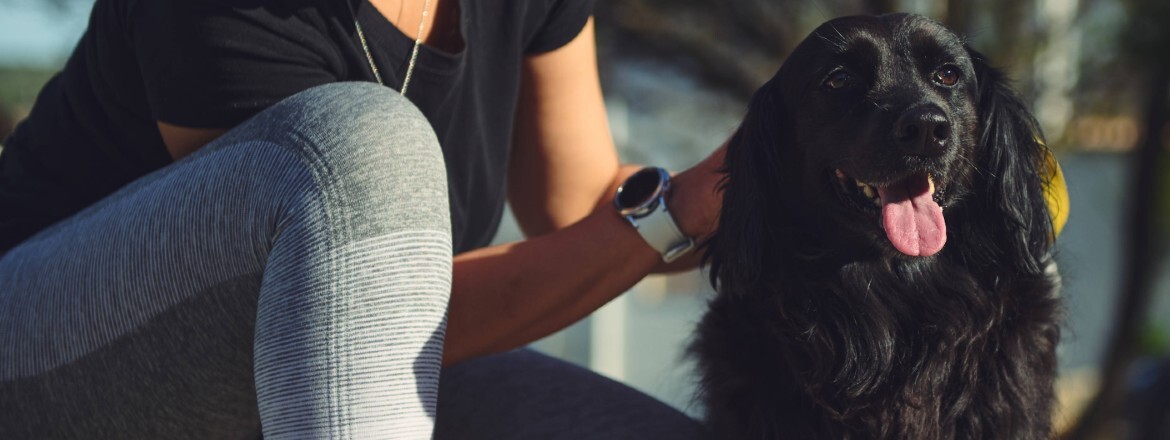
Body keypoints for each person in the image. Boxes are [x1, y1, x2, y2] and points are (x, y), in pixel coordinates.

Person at [0, 0, 723, 438]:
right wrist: (678, 214)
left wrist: (747, 183)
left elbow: (588, 204)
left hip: (356, 354)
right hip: (46, 360)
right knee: (362, 139)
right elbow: (355, 304)